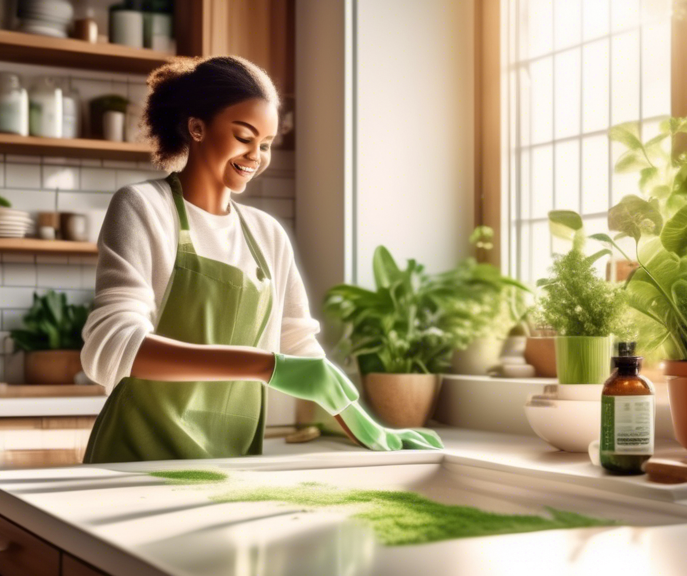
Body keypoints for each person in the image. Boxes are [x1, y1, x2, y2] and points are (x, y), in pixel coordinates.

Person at [80, 56, 442, 463]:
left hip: (232, 463)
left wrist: (367, 426)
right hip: (136, 459)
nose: (255, 155)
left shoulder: (266, 233)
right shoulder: (143, 207)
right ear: (197, 127)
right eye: (243, 136)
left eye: (265, 144)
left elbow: (299, 348)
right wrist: (264, 365)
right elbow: (112, 347)